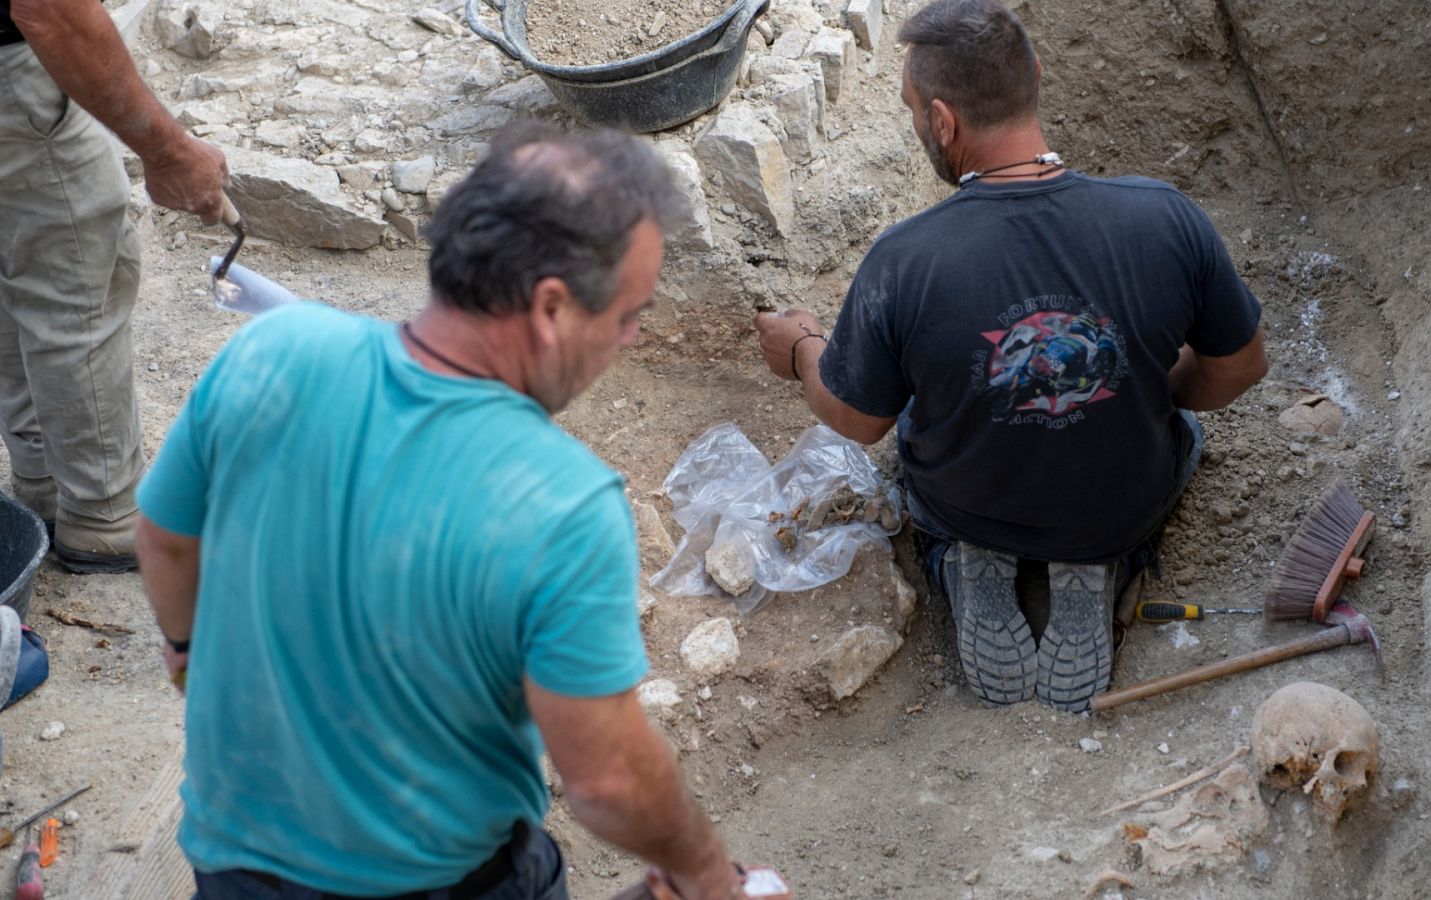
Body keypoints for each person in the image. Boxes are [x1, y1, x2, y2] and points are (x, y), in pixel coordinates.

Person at [136, 123, 745, 900]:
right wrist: (702, 869)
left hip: (233, 866)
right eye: (627, 314)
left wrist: (188, 648)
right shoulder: (563, 502)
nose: (629, 338)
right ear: (551, 308)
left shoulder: (272, 348)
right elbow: (611, 782)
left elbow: (163, 536)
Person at [754, 0, 1268, 713]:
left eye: (912, 111)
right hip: (1117, 502)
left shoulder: (904, 261)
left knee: (914, 440)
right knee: (1184, 435)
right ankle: (1099, 562)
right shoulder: (1165, 217)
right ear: (1035, 75)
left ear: (942, 121)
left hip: (968, 501)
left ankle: (966, 560)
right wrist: (1149, 381)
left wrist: (803, 349)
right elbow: (1241, 367)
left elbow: (855, 417)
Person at [1, 0, 229, 573]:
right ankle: (103, 513)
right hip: (12, 76)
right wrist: (169, 151)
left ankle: (45, 481)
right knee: (76, 275)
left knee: (14, 263)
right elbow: (49, 10)